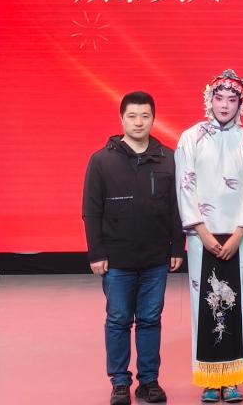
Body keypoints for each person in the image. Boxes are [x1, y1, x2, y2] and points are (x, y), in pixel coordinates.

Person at [82, 91, 184, 405]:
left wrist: (177, 248)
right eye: (132, 116)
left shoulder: (168, 158)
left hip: (155, 258)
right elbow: (91, 210)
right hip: (117, 259)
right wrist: (96, 253)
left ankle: (149, 382)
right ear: (121, 119)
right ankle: (119, 383)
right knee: (118, 320)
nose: (138, 122)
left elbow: (176, 207)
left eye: (145, 116)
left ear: (153, 119)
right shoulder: (102, 160)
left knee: (151, 320)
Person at [175, 70, 243, 404]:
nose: (224, 105)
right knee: (205, 305)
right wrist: (201, 231)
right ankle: (209, 380)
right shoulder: (190, 138)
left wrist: (240, 232)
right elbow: (185, 186)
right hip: (202, 235)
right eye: (219, 98)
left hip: (238, 235)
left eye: (232, 99)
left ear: (241, 103)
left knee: (239, 304)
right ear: (209, 100)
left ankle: (234, 378)